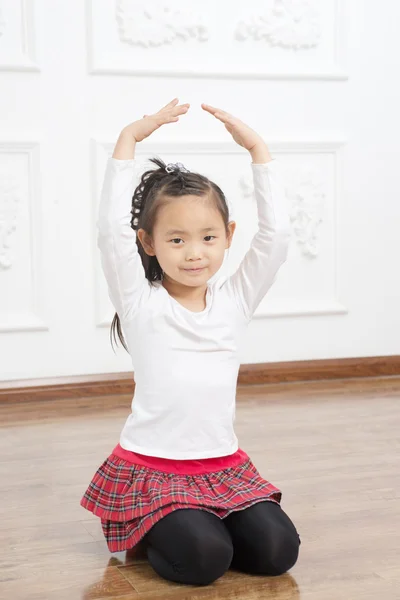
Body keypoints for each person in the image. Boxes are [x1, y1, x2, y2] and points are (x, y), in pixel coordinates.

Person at [81, 98, 301, 586]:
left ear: (228, 235)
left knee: (278, 553)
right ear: (148, 243)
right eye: (176, 240)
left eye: (207, 237)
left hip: (222, 467)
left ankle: (206, 521)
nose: (194, 253)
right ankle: (146, 529)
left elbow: (277, 237)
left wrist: (258, 151)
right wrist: (128, 140)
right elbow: (107, 232)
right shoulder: (140, 302)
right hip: (154, 469)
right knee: (203, 563)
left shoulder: (236, 300)